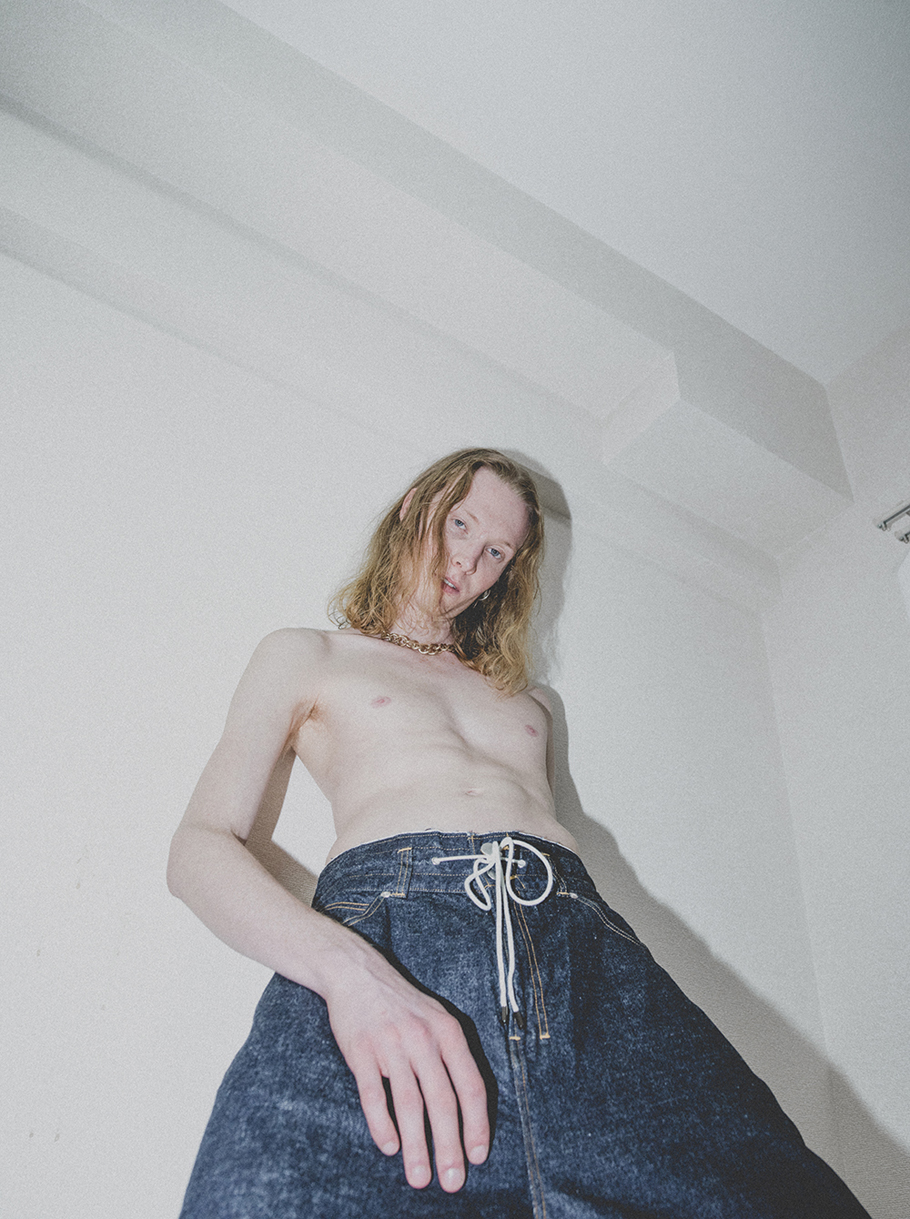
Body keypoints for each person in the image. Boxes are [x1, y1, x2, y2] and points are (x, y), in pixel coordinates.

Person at [170, 448, 869, 1218]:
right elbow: (202, 845)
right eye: (459, 523)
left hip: (579, 953)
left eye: (496, 550)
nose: (468, 559)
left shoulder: (532, 702)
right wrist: (349, 964)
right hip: (396, 938)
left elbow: (555, 837)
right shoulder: (309, 654)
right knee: (260, 1197)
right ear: (414, 506)